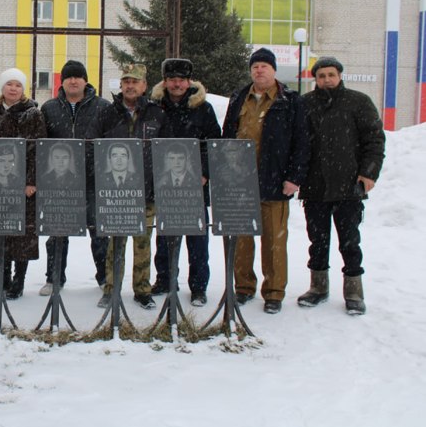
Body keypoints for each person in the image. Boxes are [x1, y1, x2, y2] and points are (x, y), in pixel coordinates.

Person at [222, 47, 309, 314]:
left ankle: (273, 292)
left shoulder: (289, 100)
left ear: (273, 70)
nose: (259, 70)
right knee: (241, 240)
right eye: (255, 66)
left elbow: (302, 142)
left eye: (264, 66)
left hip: (275, 180)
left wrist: (294, 178)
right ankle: (244, 287)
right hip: (240, 183)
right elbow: (227, 136)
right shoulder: (239, 97)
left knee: (274, 241)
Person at [298, 56, 384, 315]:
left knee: (349, 241)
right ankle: (318, 287)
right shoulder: (305, 104)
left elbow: (374, 141)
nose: (326, 80)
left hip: (348, 186)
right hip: (315, 187)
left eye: (331, 75)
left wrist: (368, 174)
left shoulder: (358, 102)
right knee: (318, 241)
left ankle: (354, 291)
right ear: (316, 79)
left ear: (339, 75)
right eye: (322, 76)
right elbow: (298, 143)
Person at [89, 63, 169, 310]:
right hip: (116, 190)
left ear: (144, 85)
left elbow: (166, 150)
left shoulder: (157, 114)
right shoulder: (107, 113)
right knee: (116, 243)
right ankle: (111, 288)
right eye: (126, 81)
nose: (130, 86)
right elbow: (94, 146)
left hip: (147, 189)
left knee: (143, 243)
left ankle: (142, 290)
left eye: (135, 81)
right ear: (121, 85)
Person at [149, 58, 221, 306]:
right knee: (165, 234)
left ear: (189, 81)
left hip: (195, 184)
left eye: (181, 79)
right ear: (165, 81)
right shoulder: (155, 106)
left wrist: (205, 173)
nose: (177, 84)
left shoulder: (203, 108)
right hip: (165, 182)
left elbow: (214, 143)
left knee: (197, 237)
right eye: (172, 79)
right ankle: (165, 279)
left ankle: (199, 287)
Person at [39, 59, 111, 296]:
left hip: (92, 179)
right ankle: (54, 278)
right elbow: (42, 145)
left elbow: (110, 143)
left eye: (78, 76)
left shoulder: (102, 107)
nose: (73, 81)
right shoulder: (49, 108)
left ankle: (105, 277)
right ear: (63, 80)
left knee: (99, 231)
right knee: (57, 231)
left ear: (85, 80)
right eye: (69, 76)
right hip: (60, 181)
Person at [0, 68, 45, 299]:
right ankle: (3, 279)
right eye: (9, 84)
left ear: (23, 89)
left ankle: (18, 281)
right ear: (2, 87)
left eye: (18, 85)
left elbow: (37, 148)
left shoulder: (32, 114)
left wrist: (30, 180)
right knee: (1, 231)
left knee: (23, 236)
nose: (13, 88)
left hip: (23, 186)